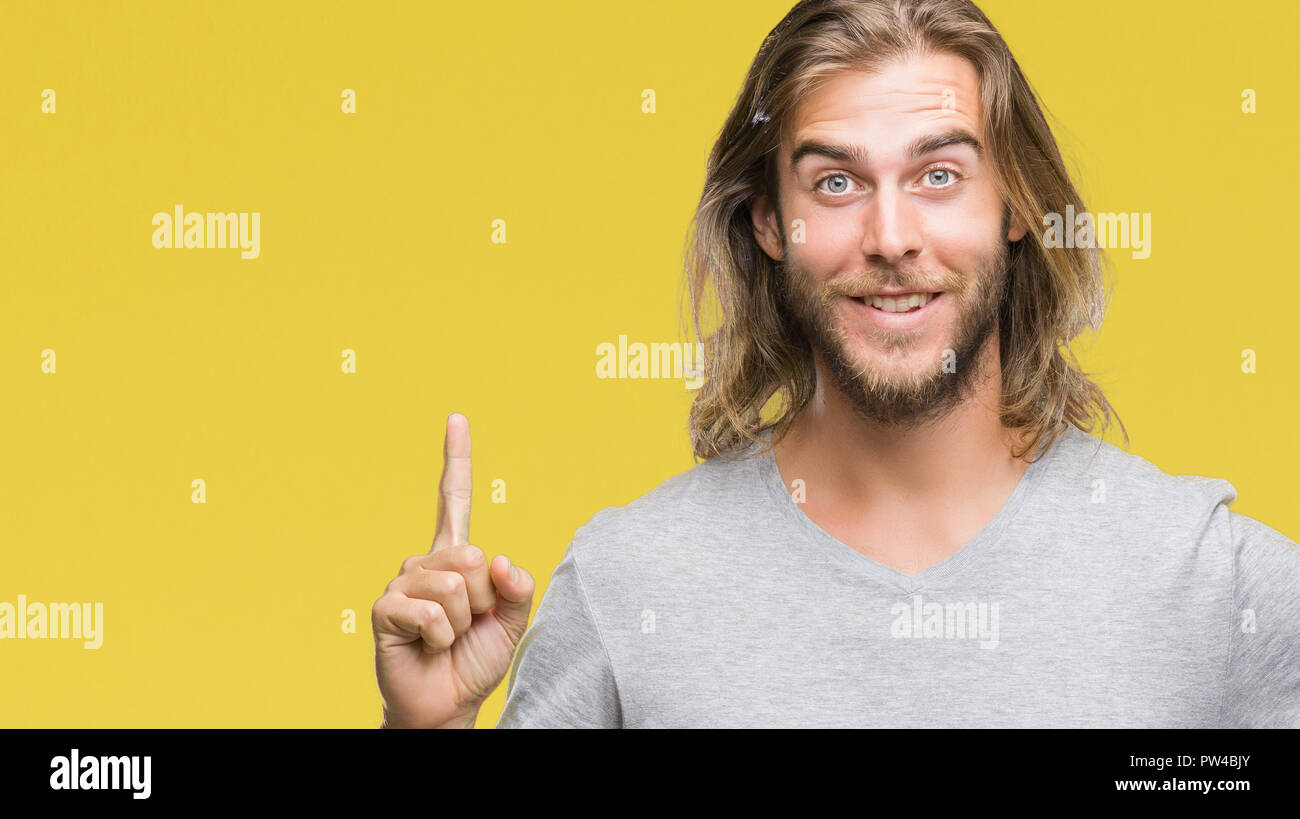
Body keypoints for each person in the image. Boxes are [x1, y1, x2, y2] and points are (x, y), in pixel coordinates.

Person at [371, 0, 1300, 728]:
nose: (891, 237)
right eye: (837, 182)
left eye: (939, 175)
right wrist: (431, 729)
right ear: (769, 223)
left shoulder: (1218, 591)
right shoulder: (632, 586)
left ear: (1014, 208)